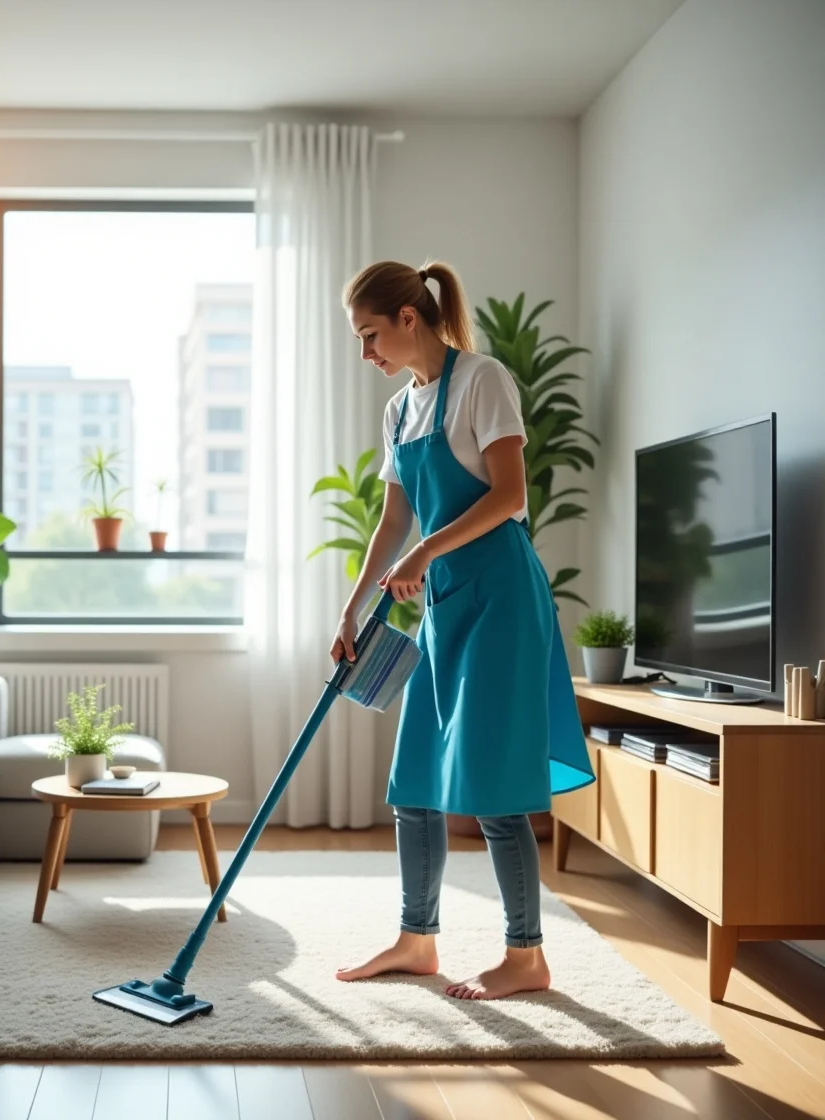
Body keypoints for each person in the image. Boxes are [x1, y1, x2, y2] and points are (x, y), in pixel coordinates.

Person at [330, 259, 595, 1000]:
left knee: (495, 785)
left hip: (503, 602)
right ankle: (417, 940)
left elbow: (509, 496)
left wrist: (424, 550)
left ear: (409, 318)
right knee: (414, 779)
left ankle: (526, 955)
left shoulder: (483, 380)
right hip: (447, 605)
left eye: (371, 334)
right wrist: (351, 607)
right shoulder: (399, 411)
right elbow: (392, 521)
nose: (367, 353)